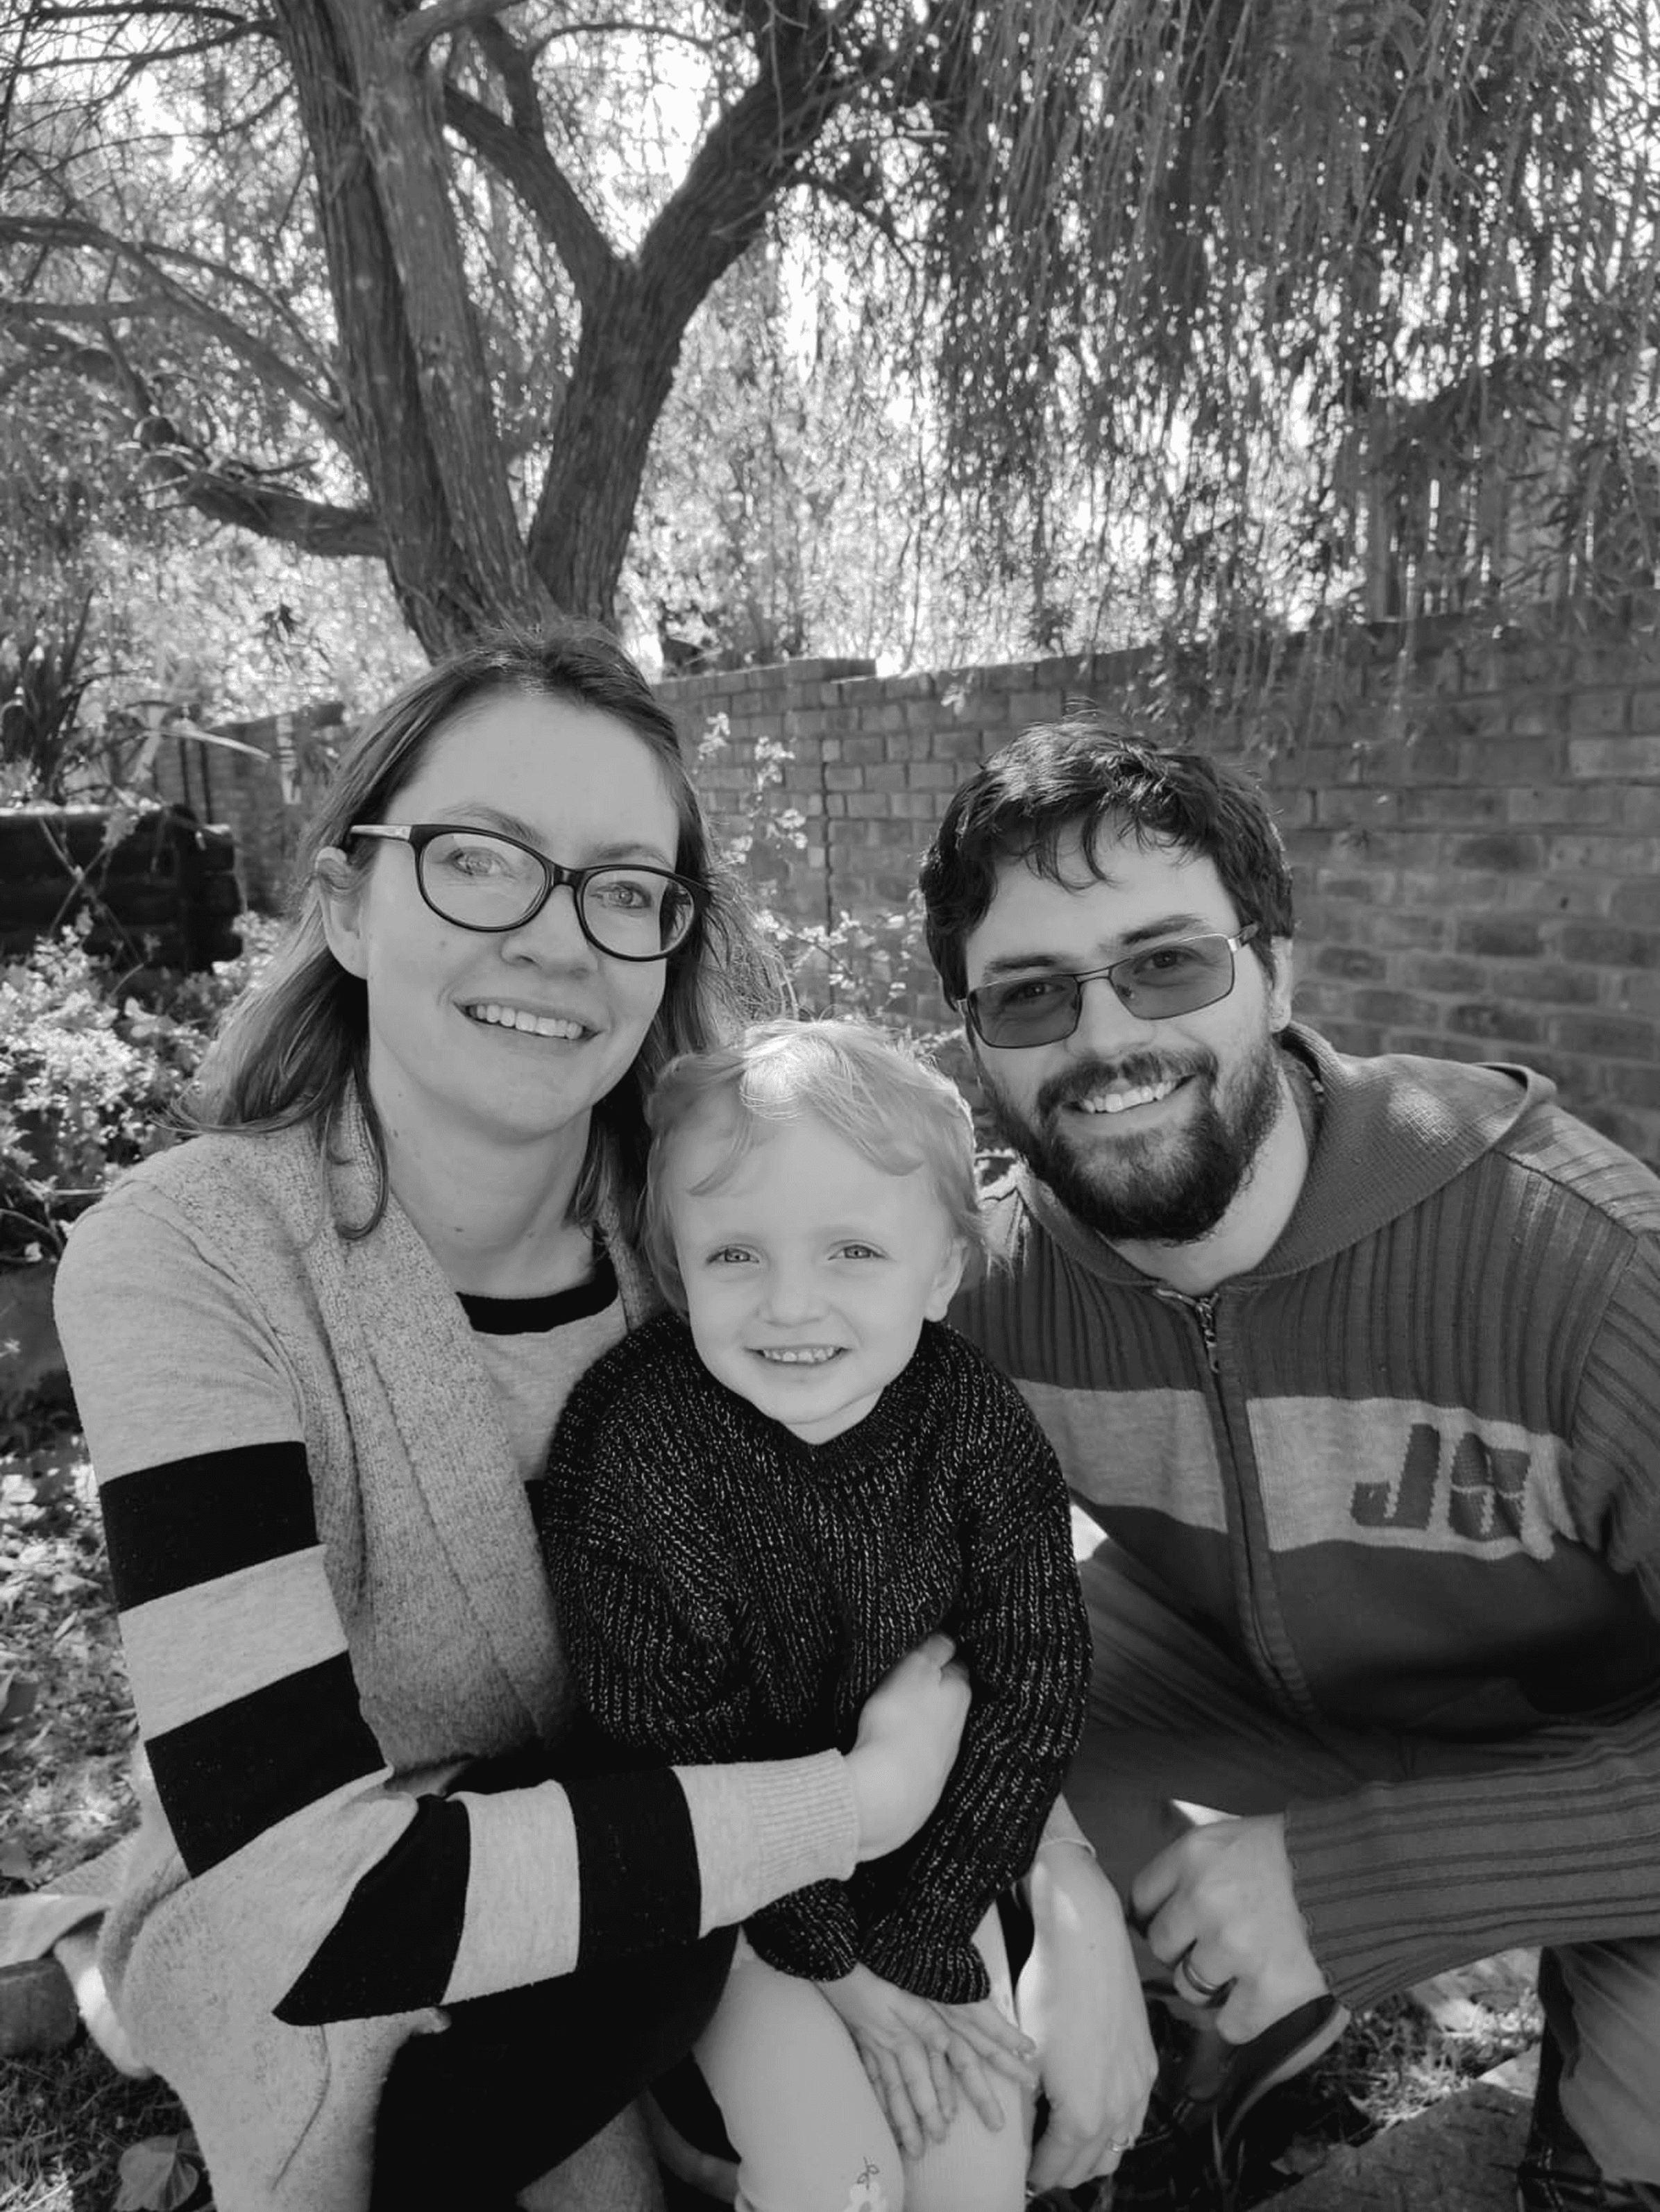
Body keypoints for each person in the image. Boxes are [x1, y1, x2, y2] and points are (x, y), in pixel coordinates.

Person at [46, 628, 985, 2212]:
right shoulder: (186, 1257)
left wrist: (1057, 1904)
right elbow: (314, 1903)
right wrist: (852, 1809)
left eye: (624, 887)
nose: (560, 940)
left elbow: (936, 1574)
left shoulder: (719, 1248)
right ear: (347, 901)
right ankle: (97, 1953)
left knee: (939, 2132)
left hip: (677, 1868)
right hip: (367, 1940)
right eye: (480, 860)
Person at [919, 713, 1660, 2211]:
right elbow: (888, 1619)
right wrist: (1052, 1875)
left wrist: (1365, 1880)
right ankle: (1212, 2087)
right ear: (969, 1035)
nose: (1104, 1035)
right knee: (945, 1910)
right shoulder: (977, 1290)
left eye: (1166, 963)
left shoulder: (1579, 1268)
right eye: (1029, 991)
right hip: (1235, 1683)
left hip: (1612, 1745)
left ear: (1275, 969)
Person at [536, 1018, 1156, 2212]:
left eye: (854, 1252)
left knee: (972, 2150)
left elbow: (1032, 1678)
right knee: (839, 2181)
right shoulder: (640, 1446)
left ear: (942, 1273)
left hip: (926, 1863)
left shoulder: (972, 1427)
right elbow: (665, 1737)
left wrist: (925, 1937)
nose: (789, 1304)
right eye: (734, 1258)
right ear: (673, 1268)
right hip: (725, 1887)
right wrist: (843, 1969)